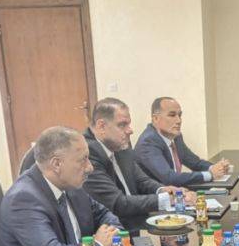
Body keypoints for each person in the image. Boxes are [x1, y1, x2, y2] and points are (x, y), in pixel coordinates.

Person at [0, 126, 122, 246]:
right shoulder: (23, 199)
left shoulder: (69, 184)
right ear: (57, 164)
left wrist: (109, 234)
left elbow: (105, 215)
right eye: (83, 160)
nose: (90, 167)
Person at [83, 97, 196, 229]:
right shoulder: (87, 153)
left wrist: (164, 190)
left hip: (136, 221)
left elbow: (141, 180)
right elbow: (117, 203)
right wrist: (168, 199)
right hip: (114, 229)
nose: (130, 130)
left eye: (129, 124)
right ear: (101, 126)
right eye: (122, 125)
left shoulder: (119, 144)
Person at [135, 97, 230, 187]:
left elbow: (195, 162)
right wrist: (210, 175)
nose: (179, 120)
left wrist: (216, 168)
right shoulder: (148, 142)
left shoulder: (176, 137)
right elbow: (170, 178)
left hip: (178, 192)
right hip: (159, 196)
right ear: (156, 119)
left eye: (179, 115)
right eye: (172, 115)